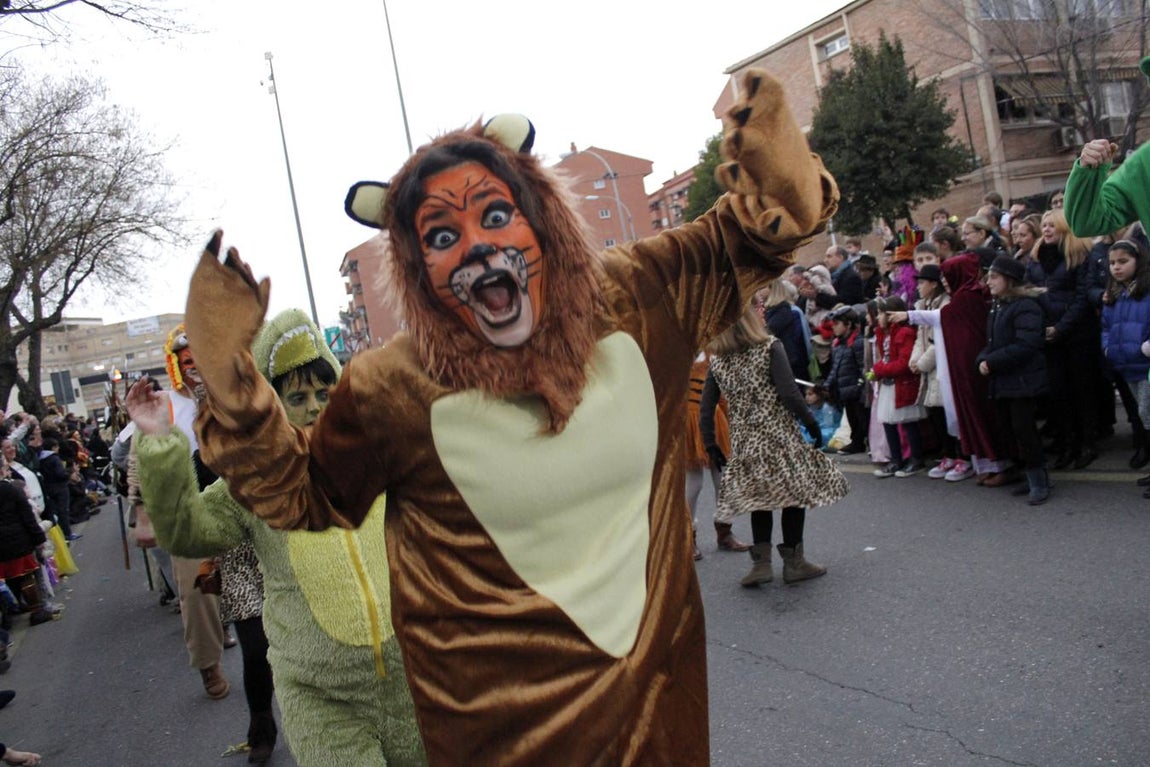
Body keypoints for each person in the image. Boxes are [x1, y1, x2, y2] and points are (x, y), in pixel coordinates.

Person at [184, 69, 838, 764]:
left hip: (657, 720)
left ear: (543, 219)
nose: (475, 246)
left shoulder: (642, 297)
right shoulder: (390, 388)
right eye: (440, 235)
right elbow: (304, 493)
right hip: (500, 739)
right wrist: (233, 386)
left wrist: (779, 167)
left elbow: (757, 236)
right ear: (414, 269)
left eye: (495, 216)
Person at [130, 309, 425, 766]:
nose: (312, 407)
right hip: (324, 697)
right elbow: (184, 530)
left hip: (415, 681)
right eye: (297, 396)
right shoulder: (253, 485)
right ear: (270, 406)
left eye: (324, 392)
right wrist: (159, 444)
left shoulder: (376, 458)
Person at [699, 306, 847, 587]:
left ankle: (761, 564)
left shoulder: (718, 360)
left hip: (745, 443)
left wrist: (710, 444)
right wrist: (812, 425)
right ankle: (795, 562)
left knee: (760, 501)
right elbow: (790, 393)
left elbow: (706, 409)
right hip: (779, 438)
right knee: (793, 497)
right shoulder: (768, 347)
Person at [1026, 208, 1100, 469]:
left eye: (1051, 225)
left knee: (1082, 392)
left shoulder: (1079, 256)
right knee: (1060, 394)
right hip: (1048, 336)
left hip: (1077, 334)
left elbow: (1082, 297)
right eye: (1044, 225)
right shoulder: (1034, 261)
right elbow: (1028, 293)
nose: (1046, 229)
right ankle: (1068, 444)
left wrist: (1060, 327)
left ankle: (1087, 443)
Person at [977, 257, 1050, 504]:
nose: (989, 282)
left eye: (994, 277)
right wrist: (983, 358)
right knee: (1010, 429)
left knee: (1025, 430)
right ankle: (1026, 476)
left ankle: (1039, 480)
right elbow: (992, 342)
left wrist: (992, 361)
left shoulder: (1025, 305)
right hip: (1005, 380)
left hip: (1022, 380)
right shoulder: (998, 305)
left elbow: (1026, 345)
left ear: (1009, 280)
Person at [683, 351, 747, 559]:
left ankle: (724, 530)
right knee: (693, 483)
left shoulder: (714, 354)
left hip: (714, 420)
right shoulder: (677, 353)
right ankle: (687, 536)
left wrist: (731, 424)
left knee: (722, 479)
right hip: (688, 422)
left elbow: (722, 394)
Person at [1098, 238, 1150, 495]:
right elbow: (1106, 327)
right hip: (1126, 364)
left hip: (1145, 364)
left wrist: (1146, 347)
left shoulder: (1146, 290)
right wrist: (1108, 347)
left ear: (1138, 261)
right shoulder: (1115, 294)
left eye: (1123, 261)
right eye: (1112, 263)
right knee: (1143, 417)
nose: (1116, 268)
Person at [910, 265, 964, 480]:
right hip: (927, 370)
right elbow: (919, 338)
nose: (918, 286)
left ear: (934, 284)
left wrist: (922, 363)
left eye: (922, 282)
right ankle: (948, 455)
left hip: (941, 366)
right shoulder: (921, 305)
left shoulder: (945, 305)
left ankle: (963, 457)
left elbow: (938, 340)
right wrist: (914, 360)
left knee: (951, 413)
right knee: (937, 416)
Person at [870, 296, 927, 478]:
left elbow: (904, 362)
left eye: (880, 313)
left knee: (907, 421)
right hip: (889, 381)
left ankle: (916, 459)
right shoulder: (882, 333)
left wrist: (879, 369)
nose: (877, 317)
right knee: (888, 420)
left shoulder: (904, 333)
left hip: (902, 382)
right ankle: (896, 459)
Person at [0, 456, 56, 627]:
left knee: (9, 579)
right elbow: (27, 517)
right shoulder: (11, 490)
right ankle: (36, 610)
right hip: (19, 541)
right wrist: (39, 539)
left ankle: (12, 611)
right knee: (27, 578)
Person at [825, 306, 867, 455]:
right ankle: (856, 442)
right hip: (845, 389)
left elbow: (863, 367)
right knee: (852, 418)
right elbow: (835, 368)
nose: (834, 327)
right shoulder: (838, 344)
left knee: (860, 418)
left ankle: (860, 442)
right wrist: (827, 385)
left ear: (848, 324)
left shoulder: (857, 342)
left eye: (837, 324)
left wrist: (861, 386)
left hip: (855, 389)